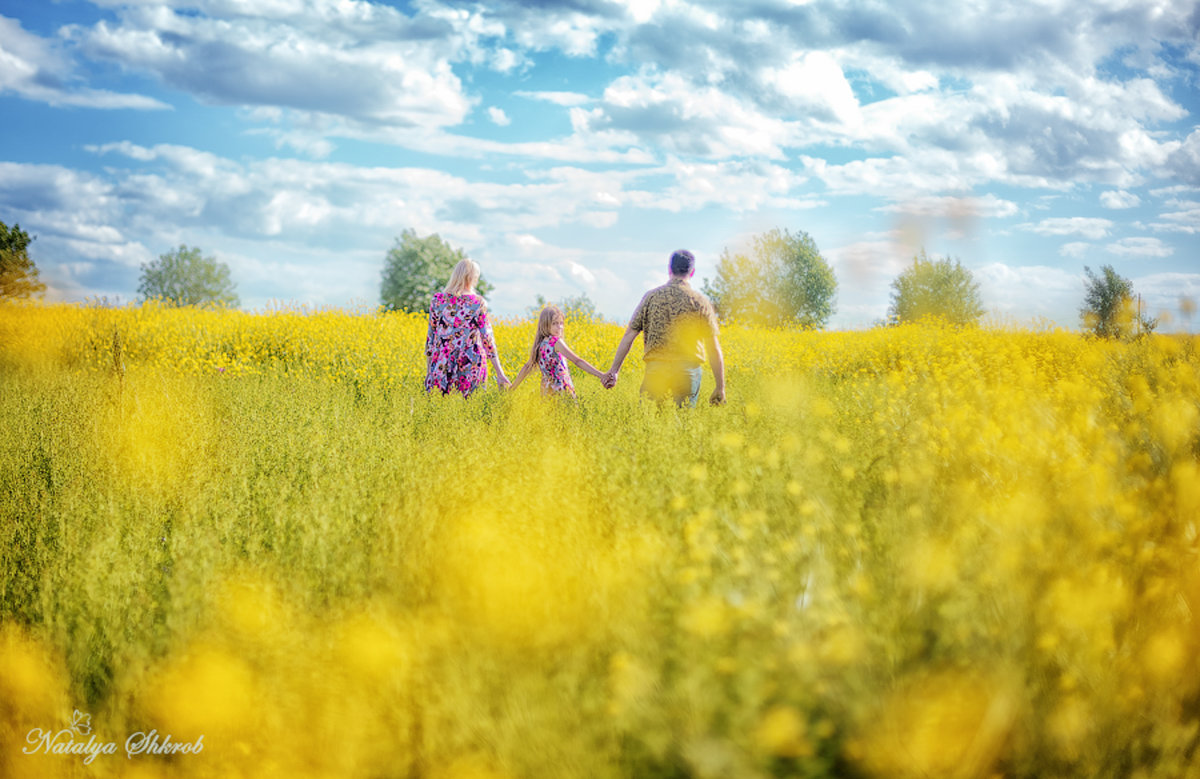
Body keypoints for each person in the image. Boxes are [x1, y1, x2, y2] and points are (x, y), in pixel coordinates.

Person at [603, 249, 725, 406]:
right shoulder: (700, 301)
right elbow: (713, 347)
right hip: (687, 372)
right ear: (692, 272)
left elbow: (629, 336)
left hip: (656, 371)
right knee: (684, 425)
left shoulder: (651, 297)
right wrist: (720, 387)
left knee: (651, 424)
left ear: (669, 269)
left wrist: (614, 371)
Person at [424, 258, 510, 396]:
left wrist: (429, 370)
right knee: (470, 412)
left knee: (439, 410)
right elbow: (487, 339)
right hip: (471, 364)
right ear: (474, 278)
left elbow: (431, 338)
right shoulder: (478, 303)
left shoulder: (437, 300)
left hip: (441, 363)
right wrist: (500, 373)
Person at [509, 304, 606, 397]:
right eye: (554, 323)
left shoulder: (539, 345)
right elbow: (577, 361)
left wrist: (512, 389)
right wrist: (601, 375)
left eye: (561, 323)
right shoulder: (556, 342)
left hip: (546, 394)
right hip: (562, 391)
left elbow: (526, 367)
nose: (559, 327)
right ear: (545, 325)